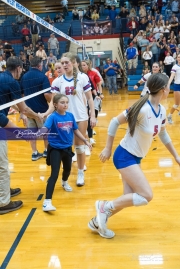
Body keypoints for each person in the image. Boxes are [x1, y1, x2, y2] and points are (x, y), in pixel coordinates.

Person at [88, 73, 180, 239]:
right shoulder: (143, 109)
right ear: (162, 90)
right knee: (146, 195)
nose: (170, 89)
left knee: (127, 198)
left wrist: (176, 156)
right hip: (124, 156)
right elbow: (114, 122)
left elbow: (163, 134)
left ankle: (96, 221)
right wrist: (108, 148)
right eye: (168, 86)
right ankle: (103, 207)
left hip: (135, 158)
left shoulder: (162, 110)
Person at [40, 52, 96, 186]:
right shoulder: (58, 81)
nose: (64, 65)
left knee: (80, 148)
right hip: (63, 119)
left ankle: (81, 173)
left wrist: (92, 115)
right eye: (62, 63)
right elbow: (53, 101)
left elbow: (89, 98)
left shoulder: (83, 77)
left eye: (67, 62)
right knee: (66, 147)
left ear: (73, 63)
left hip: (81, 116)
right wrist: (46, 113)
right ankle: (66, 174)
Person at [0, 56, 41, 214]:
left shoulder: (2, 77)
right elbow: (24, 108)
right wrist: (36, 117)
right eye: (21, 70)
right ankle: (3, 203)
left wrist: (21, 113)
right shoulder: (12, 82)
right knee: (2, 166)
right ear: (17, 68)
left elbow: (10, 103)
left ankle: (3, 192)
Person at [42, 94, 92, 211]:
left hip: (67, 148)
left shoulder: (70, 116)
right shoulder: (52, 117)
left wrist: (85, 140)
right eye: (62, 102)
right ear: (55, 104)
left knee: (68, 169)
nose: (65, 105)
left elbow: (75, 130)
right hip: (55, 149)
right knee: (54, 174)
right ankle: (47, 202)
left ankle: (64, 182)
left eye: (66, 102)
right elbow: (45, 128)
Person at [20, 56, 52, 161]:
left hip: (29, 110)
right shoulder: (43, 77)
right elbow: (47, 94)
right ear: (39, 65)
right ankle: (47, 151)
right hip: (41, 111)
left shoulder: (24, 76)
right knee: (45, 132)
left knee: (31, 132)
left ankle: (34, 153)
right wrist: (52, 103)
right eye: (42, 65)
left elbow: (22, 94)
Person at [167, 54, 180, 124]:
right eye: (178, 57)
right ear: (177, 58)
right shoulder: (175, 67)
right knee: (176, 104)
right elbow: (172, 76)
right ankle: (169, 116)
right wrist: (168, 84)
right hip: (177, 86)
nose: (179, 58)